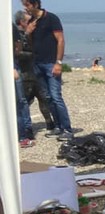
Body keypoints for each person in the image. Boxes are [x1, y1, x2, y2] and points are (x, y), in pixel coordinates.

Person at [21, 0, 74, 140]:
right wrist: (28, 33)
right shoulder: (32, 21)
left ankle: (67, 129)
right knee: (48, 97)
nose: (24, 7)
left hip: (51, 63)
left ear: (35, 4)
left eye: (26, 4)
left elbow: (61, 40)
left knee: (56, 96)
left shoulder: (51, 18)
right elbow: (32, 44)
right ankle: (57, 126)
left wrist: (59, 62)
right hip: (38, 64)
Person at [14, 10, 55, 136]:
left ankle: (50, 123)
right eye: (29, 21)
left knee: (44, 98)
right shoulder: (17, 35)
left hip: (35, 73)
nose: (33, 24)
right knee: (24, 102)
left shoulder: (32, 35)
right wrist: (33, 55)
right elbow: (17, 54)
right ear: (22, 22)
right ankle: (24, 129)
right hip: (24, 74)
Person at [13, 22, 34, 148]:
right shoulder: (8, 25)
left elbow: (18, 46)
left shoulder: (9, 25)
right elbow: (18, 47)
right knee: (19, 102)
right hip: (11, 66)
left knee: (20, 101)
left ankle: (24, 134)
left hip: (12, 65)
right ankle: (23, 135)